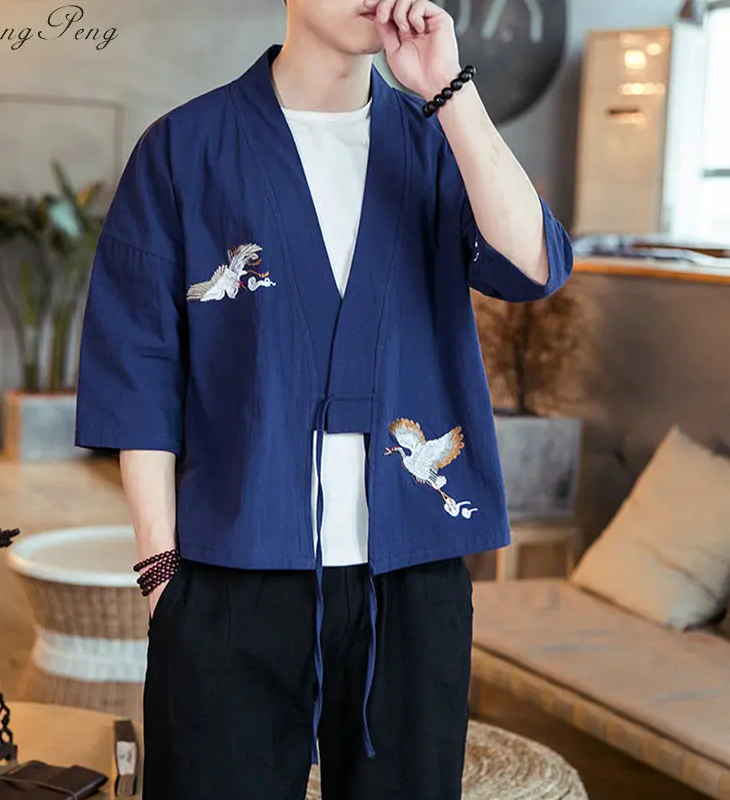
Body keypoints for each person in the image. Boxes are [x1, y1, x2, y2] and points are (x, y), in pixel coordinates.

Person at [74, 1, 573, 798]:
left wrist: (449, 90)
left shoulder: (437, 140)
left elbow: (533, 267)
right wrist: (162, 574)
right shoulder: (185, 148)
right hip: (232, 568)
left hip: (412, 579)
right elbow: (138, 373)